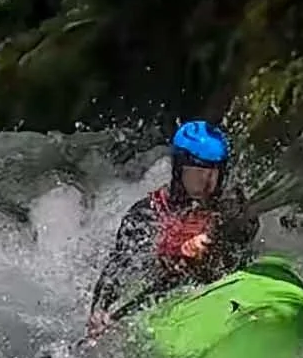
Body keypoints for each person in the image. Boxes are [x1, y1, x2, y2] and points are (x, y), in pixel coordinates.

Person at [84, 121, 256, 338]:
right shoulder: (147, 214)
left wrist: (215, 236)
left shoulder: (230, 203)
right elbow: (118, 269)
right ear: (179, 169)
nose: (206, 183)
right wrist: (100, 312)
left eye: (214, 173)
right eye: (197, 173)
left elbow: (246, 230)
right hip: (169, 293)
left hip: (219, 285)